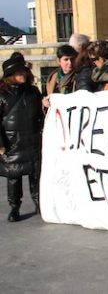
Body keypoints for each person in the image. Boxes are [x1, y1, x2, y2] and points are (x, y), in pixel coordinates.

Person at [0, 54, 44, 221]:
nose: (23, 75)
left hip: (32, 140)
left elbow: (41, 114)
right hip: (12, 144)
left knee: (36, 175)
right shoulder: (2, 95)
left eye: (24, 72)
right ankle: (14, 207)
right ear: (10, 75)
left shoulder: (32, 91)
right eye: (19, 72)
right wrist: (1, 144)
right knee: (14, 178)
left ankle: (39, 204)